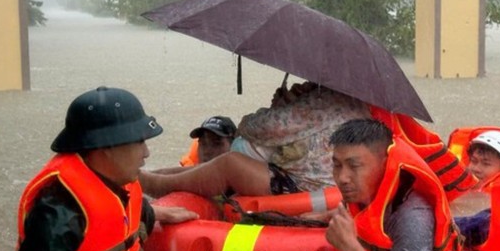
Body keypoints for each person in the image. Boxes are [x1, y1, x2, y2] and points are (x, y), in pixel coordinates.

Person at [10, 87, 198, 251]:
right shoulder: (58, 210)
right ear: (106, 147)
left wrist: (155, 213)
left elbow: (119, 215)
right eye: (139, 141)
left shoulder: (120, 180)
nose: (146, 152)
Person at [139, 81, 371, 198]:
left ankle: (153, 184)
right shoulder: (357, 102)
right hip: (325, 183)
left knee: (229, 164)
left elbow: (253, 128)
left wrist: (282, 105)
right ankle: (150, 175)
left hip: (304, 187)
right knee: (221, 163)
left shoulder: (318, 104)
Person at [324, 119, 464, 251]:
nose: (343, 177)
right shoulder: (360, 191)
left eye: (354, 166)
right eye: (337, 165)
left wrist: (349, 247)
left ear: (386, 164)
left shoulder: (412, 215)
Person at [153, 115, 237, 173]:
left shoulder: (247, 182)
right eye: (203, 144)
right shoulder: (183, 180)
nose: (207, 151)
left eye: (216, 143)